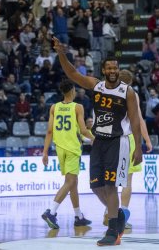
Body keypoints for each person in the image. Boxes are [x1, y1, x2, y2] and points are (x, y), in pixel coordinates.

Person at [53, 37, 142, 246]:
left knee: (111, 186)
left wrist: (138, 148)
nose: (112, 70)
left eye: (115, 68)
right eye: (109, 67)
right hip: (99, 141)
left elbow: (136, 122)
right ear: (104, 70)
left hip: (118, 141)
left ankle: (112, 231)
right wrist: (61, 54)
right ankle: (118, 216)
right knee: (96, 186)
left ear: (119, 71)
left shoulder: (127, 92)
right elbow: (73, 74)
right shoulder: (97, 85)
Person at [41, 79, 94, 229]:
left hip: (59, 149)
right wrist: (95, 139)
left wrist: (45, 152)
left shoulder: (54, 107)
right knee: (70, 182)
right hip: (72, 149)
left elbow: (50, 131)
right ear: (72, 91)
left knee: (73, 183)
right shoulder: (78, 107)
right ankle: (51, 212)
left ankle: (78, 216)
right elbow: (84, 131)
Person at [116, 69, 153, 229]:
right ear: (130, 82)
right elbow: (138, 120)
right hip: (126, 139)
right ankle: (122, 215)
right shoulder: (131, 94)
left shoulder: (107, 93)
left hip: (110, 140)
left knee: (110, 180)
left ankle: (108, 212)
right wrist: (147, 140)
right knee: (127, 181)